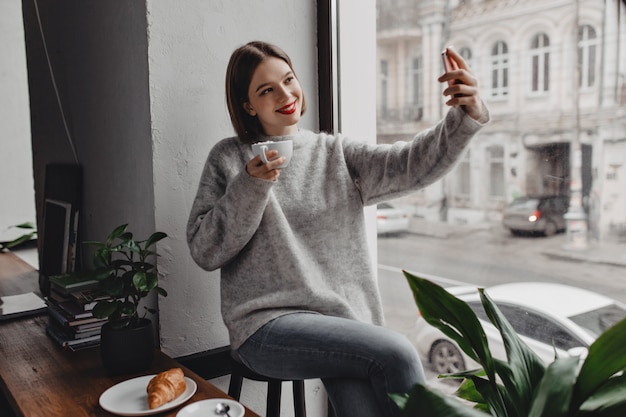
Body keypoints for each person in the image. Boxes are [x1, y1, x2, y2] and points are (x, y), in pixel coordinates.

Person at [187, 40, 489, 417]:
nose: (285, 94)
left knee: (363, 400)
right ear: (248, 105)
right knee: (396, 351)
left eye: (288, 80)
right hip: (265, 327)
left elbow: (411, 164)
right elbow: (205, 250)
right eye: (267, 90)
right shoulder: (229, 159)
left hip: (342, 325)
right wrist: (250, 185)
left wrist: (465, 116)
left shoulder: (335, 154)